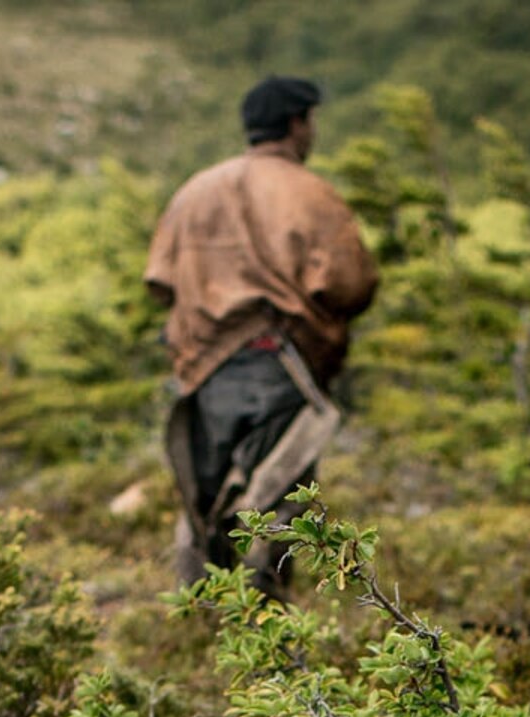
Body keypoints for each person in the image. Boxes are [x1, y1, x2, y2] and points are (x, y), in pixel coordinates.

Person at [144, 73, 380, 592]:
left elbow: (160, 282)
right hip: (279, 364)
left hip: (203, 368)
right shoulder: (310, 192)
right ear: (297, 124)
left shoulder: (195, 191)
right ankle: (266, 616)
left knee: (206, 500)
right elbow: (351, 284)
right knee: (275, 496)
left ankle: (205, 612)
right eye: (310, 122)